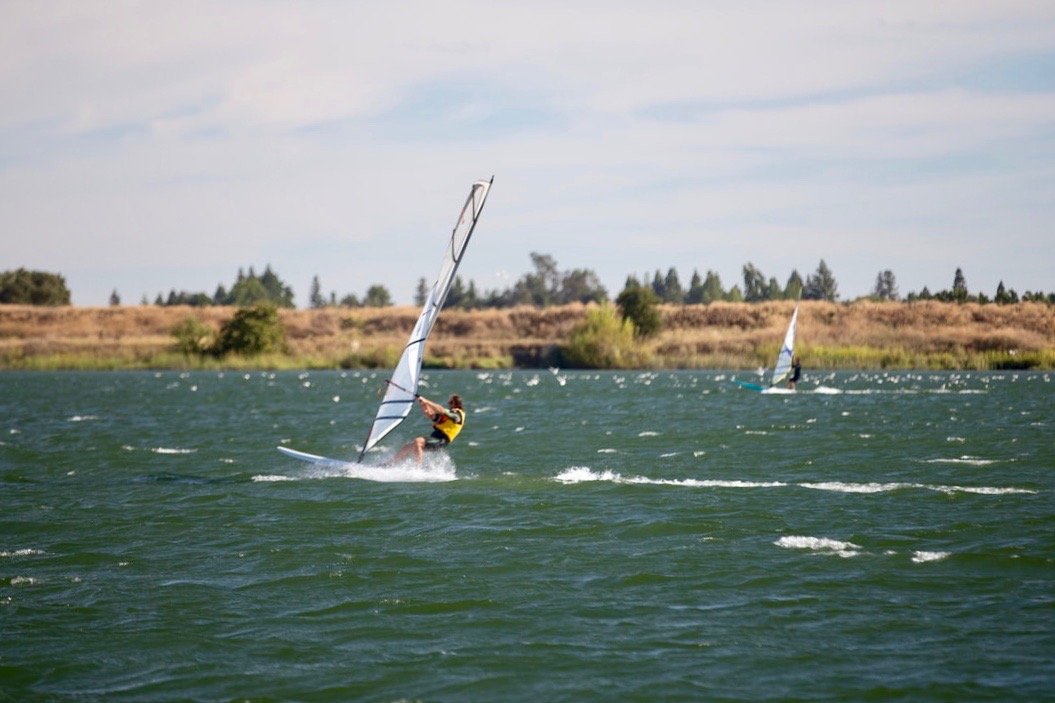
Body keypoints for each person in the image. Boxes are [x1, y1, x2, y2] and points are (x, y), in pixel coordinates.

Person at [389, 394, 465, 465]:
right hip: (434, 438)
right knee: (406, 448)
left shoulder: (457, 416)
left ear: (457, 404)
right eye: (449, 402)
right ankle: (389, 465)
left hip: (441, 440)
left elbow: (442, 410)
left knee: (418, 441)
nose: (449, 404)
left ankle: (417, 468)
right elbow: (429, 413)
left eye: (451, 402)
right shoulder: (446, 418)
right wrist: (422, 403)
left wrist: (426, 400)